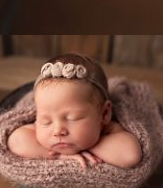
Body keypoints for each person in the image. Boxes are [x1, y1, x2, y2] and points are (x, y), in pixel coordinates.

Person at [8, 53, 142, 169]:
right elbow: (16, 141)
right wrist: (60, 156)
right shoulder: (38, 129)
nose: (58, 131)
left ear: (104, 114)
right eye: (46, 121)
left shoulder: (109, 129)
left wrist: (88, 147)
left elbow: (130, 155)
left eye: (73, 118)